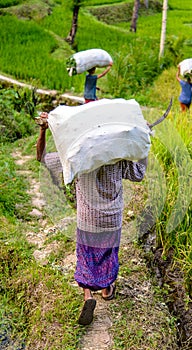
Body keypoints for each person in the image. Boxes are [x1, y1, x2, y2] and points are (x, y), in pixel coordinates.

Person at [36, 113, 148, 326]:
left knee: (86, 255)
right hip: (112, 218)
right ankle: (106, 290)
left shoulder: (78, 157)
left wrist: (43, 130)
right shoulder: (118, 158)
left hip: (87, 219)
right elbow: (140, 173)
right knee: (109, 254)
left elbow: (41, 158)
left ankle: (88, 296)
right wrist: (145, 143)